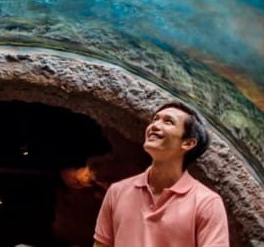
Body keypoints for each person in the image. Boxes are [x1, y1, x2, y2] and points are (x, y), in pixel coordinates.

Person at [94, 101, 229, 247]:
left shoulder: (206, 203)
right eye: (155, 119)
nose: (154, 126)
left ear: (188, 143)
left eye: (168, 122)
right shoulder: (117, 191)